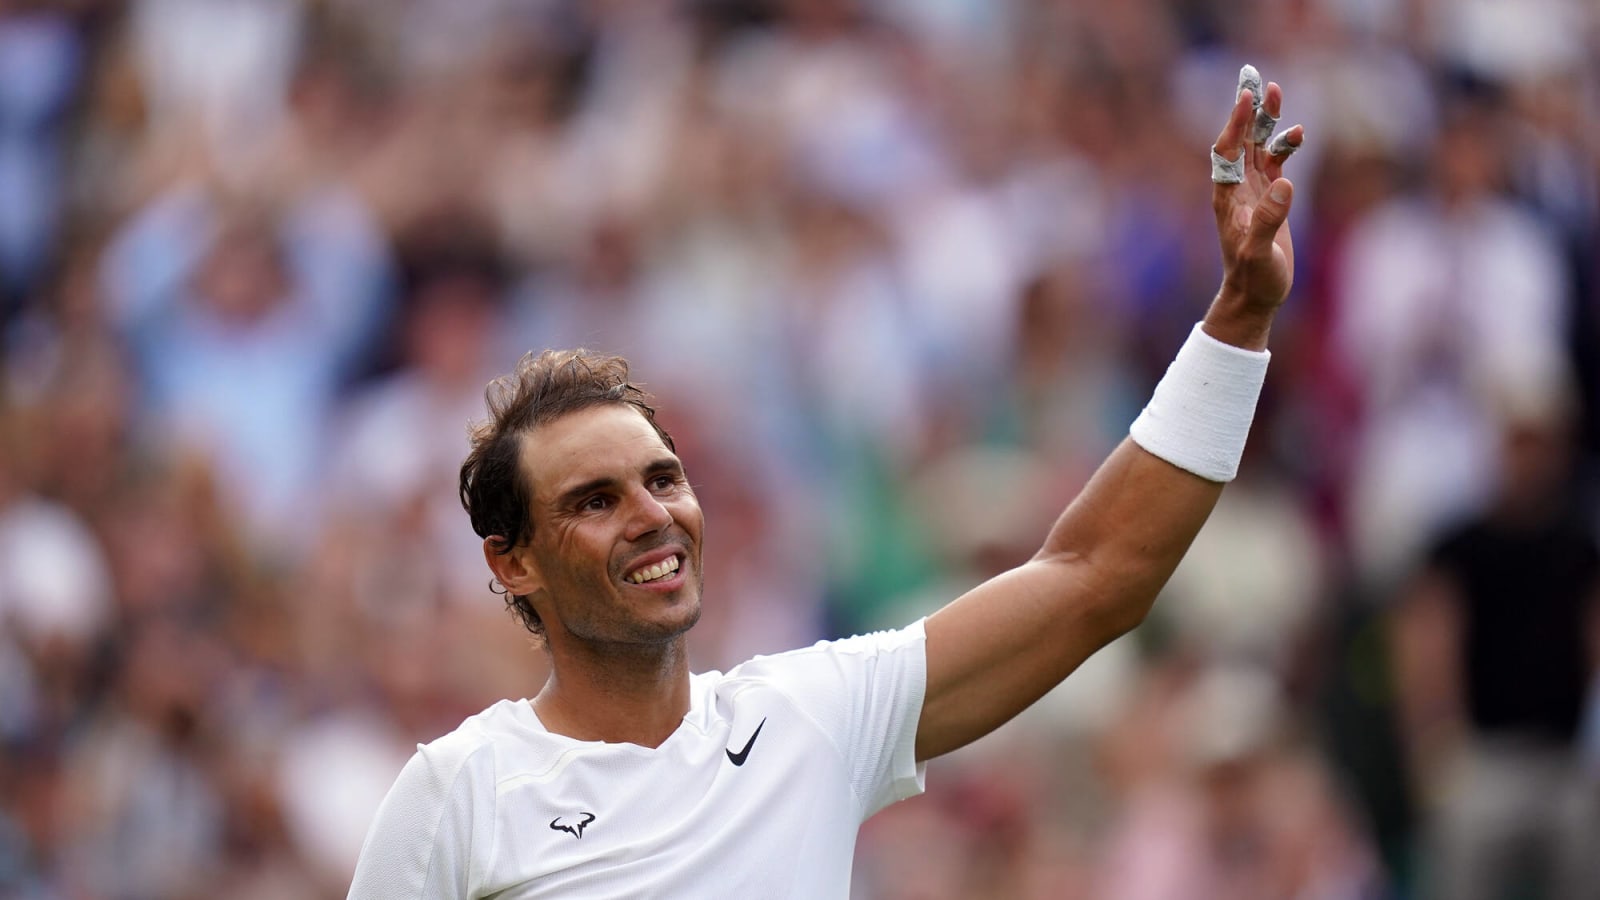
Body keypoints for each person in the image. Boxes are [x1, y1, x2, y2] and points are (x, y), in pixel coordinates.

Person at [347, 67, 1305, 898]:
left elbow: (1097, 574)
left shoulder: (809, 717)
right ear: (511, 566)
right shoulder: (457, 792)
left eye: (663, 478)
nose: (652, 516)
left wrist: (1240, 315)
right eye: (594, 500)